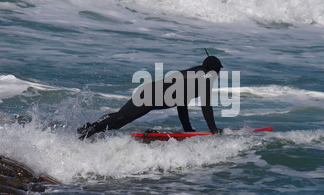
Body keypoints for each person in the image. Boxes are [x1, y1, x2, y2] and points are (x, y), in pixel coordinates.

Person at [77, 55, 223, 140]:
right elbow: (206, 106)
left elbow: (182, 103)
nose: (219, 75)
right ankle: (90, 129)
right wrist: (213, 130)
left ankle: (90, 132)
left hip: (150, 92)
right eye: (219, 71)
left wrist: (187, 129)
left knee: (119, 121)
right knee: (120, 118)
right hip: (150, 96)